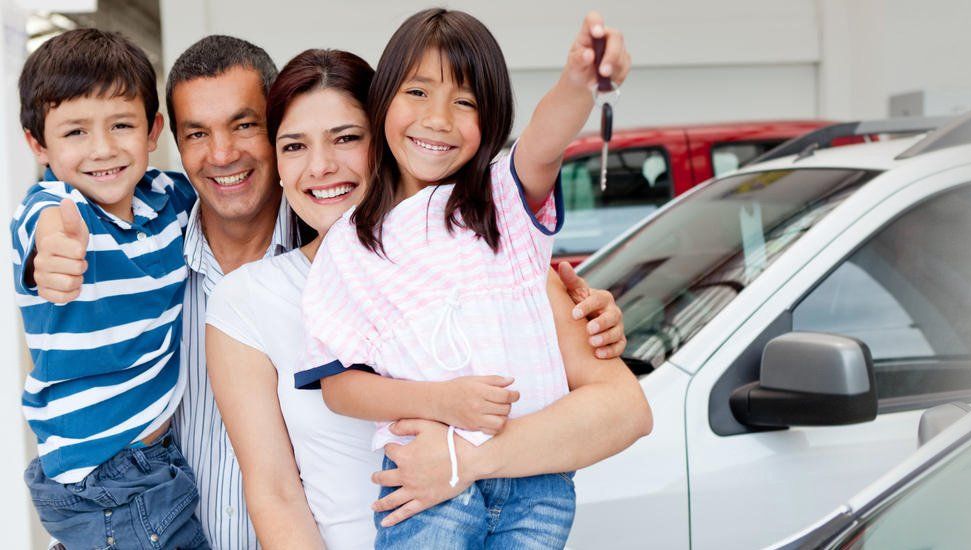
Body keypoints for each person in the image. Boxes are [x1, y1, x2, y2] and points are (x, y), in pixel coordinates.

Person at [31, 33, 633, 550]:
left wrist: (466, 462)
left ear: (384, 136)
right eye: (296, 145)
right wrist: (42, 249)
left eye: (345, 137)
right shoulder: (204, 274)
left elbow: (622, 408)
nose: (320, 166)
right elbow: (275, 495)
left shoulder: (478, 250)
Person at [297, 9, 639, 549]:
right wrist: (441, 402)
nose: (438, 118)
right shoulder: (351, 245)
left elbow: (546, 140)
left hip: (538, 482)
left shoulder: (500, 200)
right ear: (383, 98)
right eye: (417, 92)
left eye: (465, 102)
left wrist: (578, 81)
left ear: (492, 119)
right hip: (428, 483)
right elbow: (339, 387)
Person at [12, 29, 207, 548]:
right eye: (75, 132)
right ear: (39, 144)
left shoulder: (170, 198)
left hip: (153, 462)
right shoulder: (52, 208)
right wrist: (54, 256)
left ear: (153, 131)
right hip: (109, 481)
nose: (102, 149)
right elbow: (46, 232)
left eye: (121, 124)